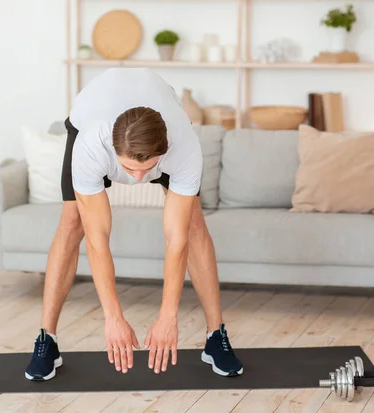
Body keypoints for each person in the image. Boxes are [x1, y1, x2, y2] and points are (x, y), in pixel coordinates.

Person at [24, 67, 243, 381]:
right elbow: (98, 241)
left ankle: (215, 336)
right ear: (113, 153)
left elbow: (176, 241)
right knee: (73, 223)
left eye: (148, 169)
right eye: (129, 169)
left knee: (193, 225)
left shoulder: (183, 146)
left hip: (159, 121)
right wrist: (113, 317)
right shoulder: (91, 145)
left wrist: (169, 316)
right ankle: (47, 338)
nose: (138, 179)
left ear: (162, 153)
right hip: (94, 107)